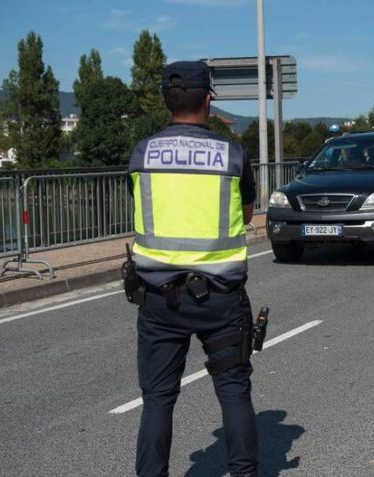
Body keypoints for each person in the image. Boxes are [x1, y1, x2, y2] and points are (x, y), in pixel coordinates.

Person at [125, 61, 259, 477]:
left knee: (158, 399)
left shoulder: (141, 154)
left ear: (167, 101)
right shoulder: (232, 155)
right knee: (233, 391)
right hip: (221, 298)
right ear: (207, 99)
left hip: (158, 298)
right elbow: (248, 212)